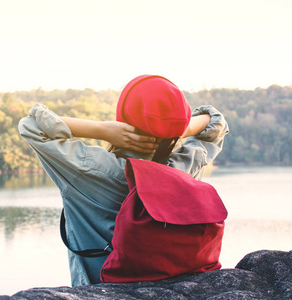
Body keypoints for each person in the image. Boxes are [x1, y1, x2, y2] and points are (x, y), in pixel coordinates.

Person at [18, 75, 229, 286]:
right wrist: (176, 130)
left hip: (100, 289)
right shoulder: (187, 164)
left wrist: (102, 130)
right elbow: (216, 120)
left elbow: (31, 125)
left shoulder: (88, 168)